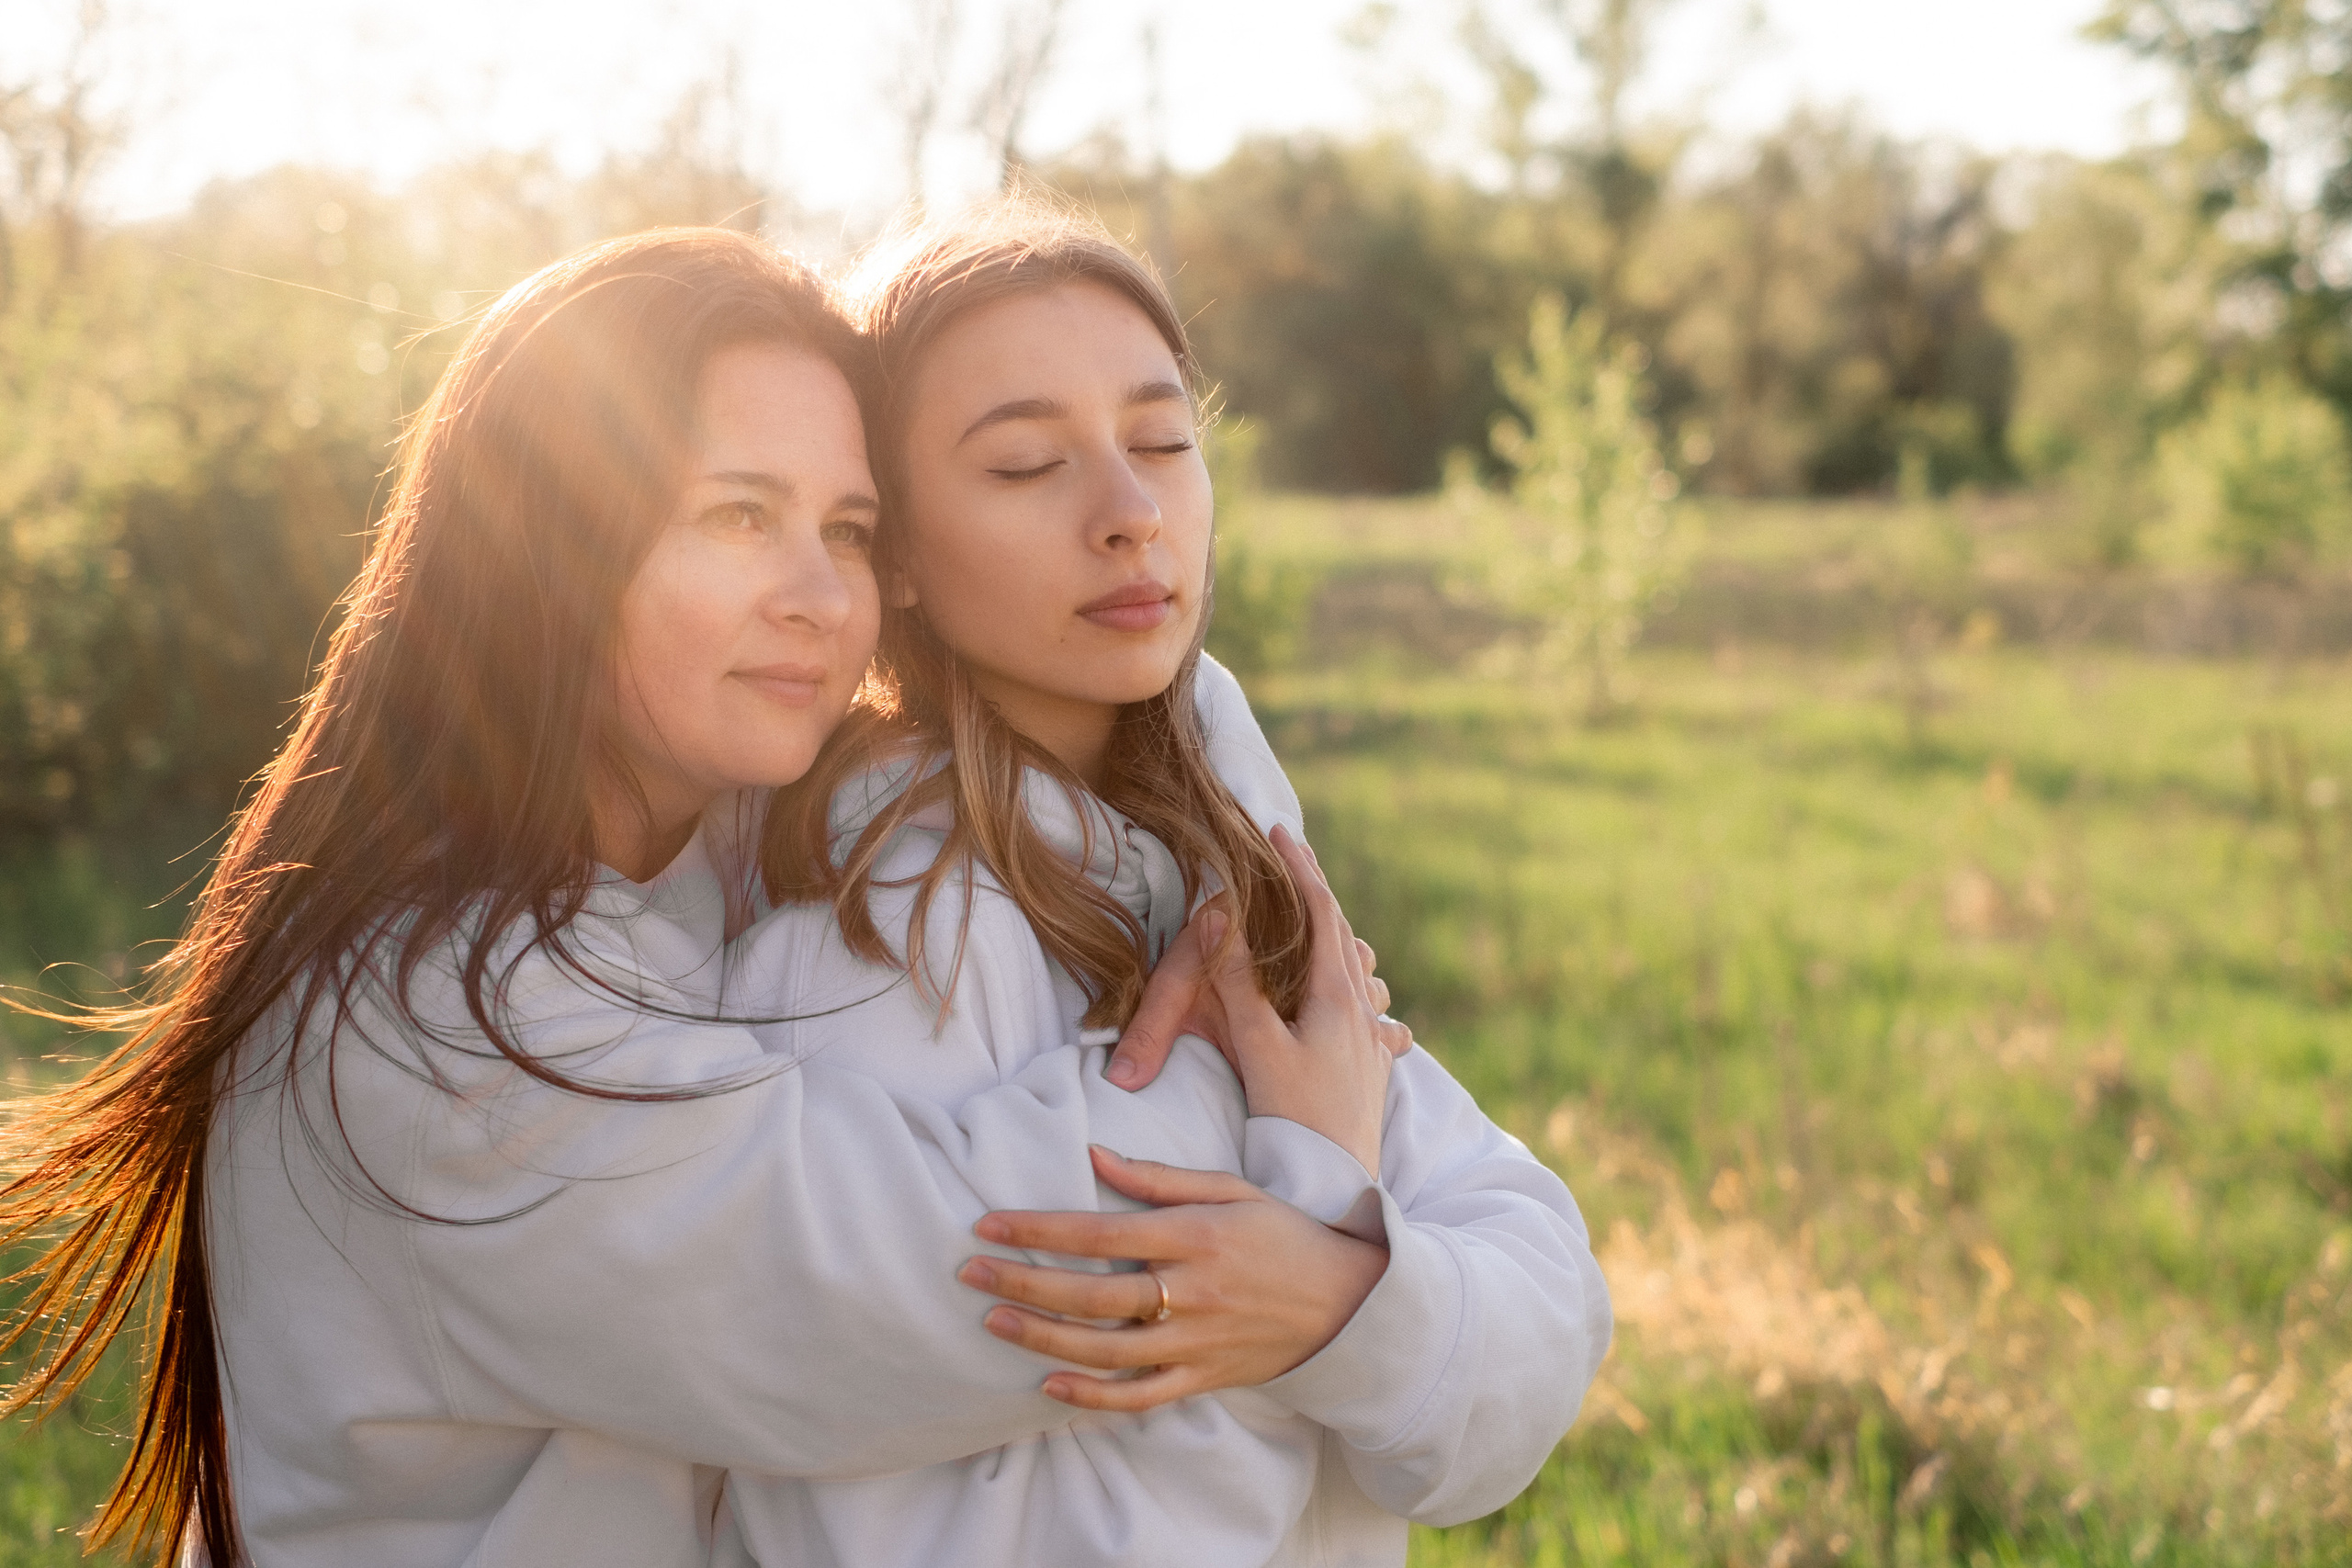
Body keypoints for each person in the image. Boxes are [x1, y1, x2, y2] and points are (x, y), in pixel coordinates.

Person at [0, 228, 1419, 1567]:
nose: (821, 598)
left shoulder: (736, 835)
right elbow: (940, 1299)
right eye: (742, 515)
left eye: (851, 530)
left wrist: (1214, 803)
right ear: (548, 547)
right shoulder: (428, 1016)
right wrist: (1278, 1087)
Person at [713, 201, 1612, 1567]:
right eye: (1025, 465)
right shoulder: (877, 931)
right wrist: (1321, 1217)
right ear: (890, 550)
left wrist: (1330, 1301)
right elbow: (896, 1504)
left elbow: (1538, 1324)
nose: (1132, 515)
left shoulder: (1233, 842)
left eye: (1163, 441)